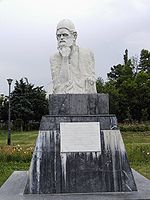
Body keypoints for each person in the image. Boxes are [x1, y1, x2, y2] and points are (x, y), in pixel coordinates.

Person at [50, 19, 97, 94]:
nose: (61, 38)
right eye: (59, 36)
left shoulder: (87, 53)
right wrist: (64, 58)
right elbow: (61, 86)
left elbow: (91, 82)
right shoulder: (54, 58)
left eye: (65, 35)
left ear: (74, 36)